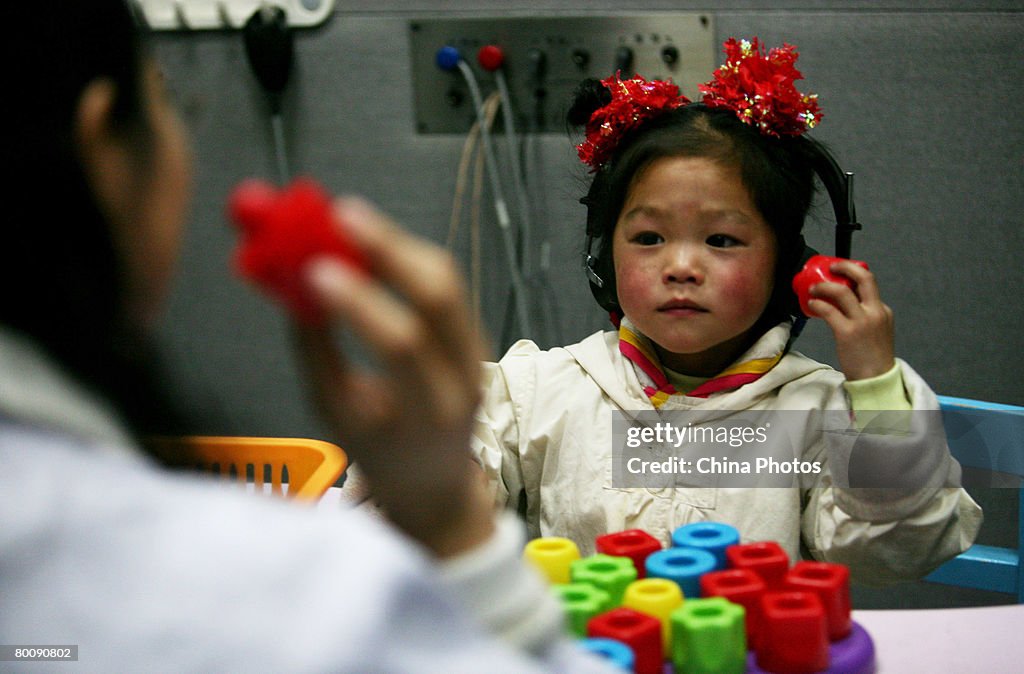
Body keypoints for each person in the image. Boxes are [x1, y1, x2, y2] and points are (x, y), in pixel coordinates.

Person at [0, 3, 617, 672]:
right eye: (168, 99)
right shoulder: (287, 602)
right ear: (106, 153)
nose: (682, 268)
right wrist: (452, 527)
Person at [472, 39, 982, 585]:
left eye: (721, 239)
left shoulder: (814, 411)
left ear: (788, 264)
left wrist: (876, 385)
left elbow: (899, 546)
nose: (682, 266)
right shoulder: (538, 392)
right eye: (648, 237)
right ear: (604, 254)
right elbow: (435, 477)